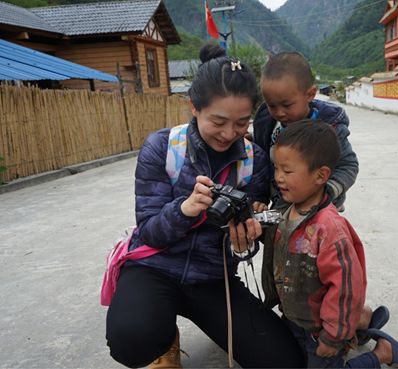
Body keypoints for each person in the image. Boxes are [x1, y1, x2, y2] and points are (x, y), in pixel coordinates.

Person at [105, 44, 304, 369]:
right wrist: (185, 209)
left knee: (283, 361)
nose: (230, 133)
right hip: (155, 267)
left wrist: (245, 243)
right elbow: (151, 232)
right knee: (132, 340)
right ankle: (163, 340)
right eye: (218, 121)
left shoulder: (253, 160)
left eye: (241, 123)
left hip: (213, 276)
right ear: (194, 107)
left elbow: (246, 244)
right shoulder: (163, 147)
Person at [261, 120, 398, 368]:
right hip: (295, 319)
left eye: (288, 171)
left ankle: (382, 353)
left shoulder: (330, 231)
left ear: (321, 175)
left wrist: (333, 337)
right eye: (276, 169)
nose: (278, 178)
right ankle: (360, 324)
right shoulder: (287, 213)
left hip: (321, 329)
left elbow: (346, 289)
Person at [253, 51, 358, 212]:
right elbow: (260, 164)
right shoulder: (266, 123)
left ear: (310, 94)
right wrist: (259, 198)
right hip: (282, 206)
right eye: (272, 105)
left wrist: (326, 193)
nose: (279, 113)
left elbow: (348, 165)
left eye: (287, 105)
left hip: (320, 209)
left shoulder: (330, 127)